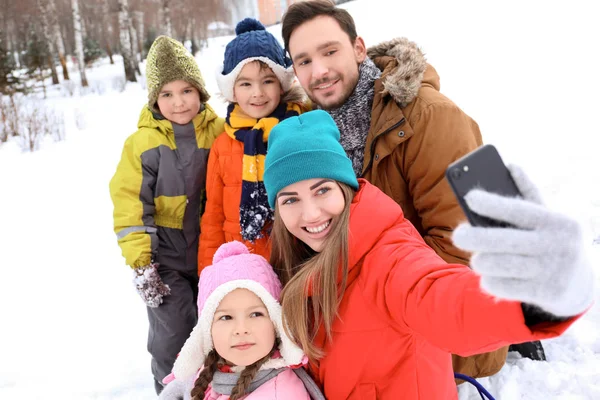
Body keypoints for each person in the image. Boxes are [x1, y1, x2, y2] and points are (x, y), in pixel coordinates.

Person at [280, 0, 540, 370]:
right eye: (304, 60)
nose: (319, 71)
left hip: (433, 322)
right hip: (365, 311)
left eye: (330, 51)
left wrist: (354, 312)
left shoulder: (433, 118)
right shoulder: (310, 130)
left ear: (357, 48)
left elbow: (466, 248)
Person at [262, 110, 594, 400]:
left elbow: (445, 301)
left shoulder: (388, 257)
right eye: (290, 199)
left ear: (346, 189)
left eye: (322, 190)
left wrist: (541, 297)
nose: (310, 214)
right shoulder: (298, 263)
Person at [109, 36, 224, 394]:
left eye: (187, 90)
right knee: (174, 329)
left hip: (210, 248)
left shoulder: (218, 131)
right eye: (167, 94)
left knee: (214, 322)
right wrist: (143, 263)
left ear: (200, 92)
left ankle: (215, 385)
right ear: (155, 100)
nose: (178, 102)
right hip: (165, 257)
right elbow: (129, 202)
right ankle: (171, 387)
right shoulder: (143, 144)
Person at [198, 18, 309, 272]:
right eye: (245, 83)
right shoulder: (222, 145)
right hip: (243, 269)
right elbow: (213, 216)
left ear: (282, 85)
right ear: (232, 90)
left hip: (296, 264)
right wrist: (209, 276)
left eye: (268, 81)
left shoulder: (300, 128)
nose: (257, 93)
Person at [159, 241, 325, 400]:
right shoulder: (211, 370)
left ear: (276, 323)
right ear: (207, 331)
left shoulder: (279, 394)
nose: (241, 329)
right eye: (226, 317)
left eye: (255, 314)